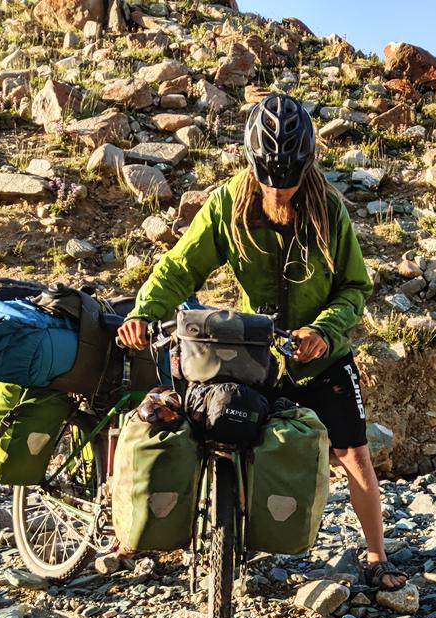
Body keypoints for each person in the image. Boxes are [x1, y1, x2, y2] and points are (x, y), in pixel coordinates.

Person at [117, 93, 406, 591]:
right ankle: (212, 533)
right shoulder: (229, 203)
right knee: (224, 431)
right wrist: (146, 311)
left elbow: (355, 287)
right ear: (252, 163)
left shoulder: (329, 210)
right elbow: (181, 267)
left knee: (353, 451)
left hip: (320, 354)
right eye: (270, 180)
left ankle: (376, 556)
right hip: (255, 352)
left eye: (290, 181)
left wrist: (324, 331)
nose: (280, 192)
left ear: (308, 162)